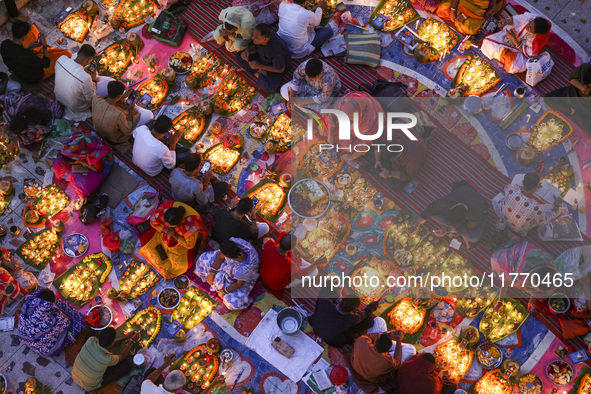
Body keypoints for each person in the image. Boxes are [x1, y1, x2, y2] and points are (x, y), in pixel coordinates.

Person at [139, 200, 207, 279]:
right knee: (144, 239)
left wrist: (174, 235)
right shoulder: (165, 209)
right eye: (166, 223)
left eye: (170, 226)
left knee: (186, 264)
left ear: (179, 223)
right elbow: (153, 223)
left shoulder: (189, 226)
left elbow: (189, 245)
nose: (167, 226)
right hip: (163, 236)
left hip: (178, 245)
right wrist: (164, 229)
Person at [409, 181, 488, 245]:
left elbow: (467, 227)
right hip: (464, 195)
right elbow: (433, 206)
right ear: (451, 209)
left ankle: (456, 231)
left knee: (474, 238)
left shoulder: (475, 215)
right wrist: (416, 224)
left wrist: (447, 231)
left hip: (479, 214)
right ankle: (456, 231)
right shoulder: (450, 200)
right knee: (432, 214)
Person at [194, 238, 260, 310]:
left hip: (241, 280)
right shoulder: (234, 242)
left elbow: (238, 284)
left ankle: (220, 284)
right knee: (204, 258)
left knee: (233, 302)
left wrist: (223, 291)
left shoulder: (244, 270)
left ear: (231, 257)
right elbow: (220, 257)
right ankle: (217, 280)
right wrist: (211, 274)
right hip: (228, 268)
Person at [18, 289, 86, 357]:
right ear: (51, 303)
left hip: (27, 338)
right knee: (74, 324)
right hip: (45, 349)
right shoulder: (50, 321)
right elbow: (67, 321)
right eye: (55, 300)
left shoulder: (30, 302)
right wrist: (61, 313)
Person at [54, 44, 113, 121]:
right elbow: (91, 98)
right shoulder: (85, 78)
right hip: (77, 107)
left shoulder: (61, 59)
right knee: (110, 82)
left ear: (78, 52)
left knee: (73, 57)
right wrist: (93, 79)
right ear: (88, 60)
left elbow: (64, 74)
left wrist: (82, 72)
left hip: (58, 96)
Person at [0, 76, 64, 146]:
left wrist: (26, 139)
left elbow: (48, 129)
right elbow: (6, 114)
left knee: (36, 137)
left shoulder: (32, 126)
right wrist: (6, 126)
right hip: (33, 101)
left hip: (45, 108)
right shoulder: (14, 110)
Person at [1, 21, 71, 83]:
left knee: (36, 43)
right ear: (24, 37)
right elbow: (47, 63)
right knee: (67, 53)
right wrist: (44, 45)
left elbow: (17, 54)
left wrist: (29, 48)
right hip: (34, 76)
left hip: (19, 69)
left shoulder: (4, 43)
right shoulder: (27, 56)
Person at [492, 172, 560, 236]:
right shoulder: (536, 208)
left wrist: (532, 188)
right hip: (517, 229)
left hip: (503, 215)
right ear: (536, 187)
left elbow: (516, 190)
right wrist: (556, 207)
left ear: (523, 182)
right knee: (558, 211)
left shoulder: (511, 188)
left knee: (517, 177)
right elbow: (543, 223)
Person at [481, 13, 552, 74]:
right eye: (530, 23)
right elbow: (515, 19)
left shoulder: (538, 41)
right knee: (486, 42)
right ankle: (503, 55)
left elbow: (528, 54)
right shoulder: (530, 17)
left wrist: (514, 40)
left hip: (520, 50)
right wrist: (506, 21)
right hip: (509, 36)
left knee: (515, 67)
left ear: (536, 33)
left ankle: (503, 54)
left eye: (530, 28)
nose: (528, 26)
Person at [72, 327, 139, 391]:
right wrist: (132, 341)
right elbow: (122, 356)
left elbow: (110, 343)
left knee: (91, 334)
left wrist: (126, 337)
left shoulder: (91, 340)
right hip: (88, 385)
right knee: (127, 365)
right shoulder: (107, 358)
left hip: (74, 374)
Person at [92, 80, 153, 150]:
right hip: (113, 138)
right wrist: (130, 111)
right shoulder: (119, 115)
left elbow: (108, 103)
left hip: (97, 128)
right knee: (148, 115)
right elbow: (127, 131)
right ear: (118, 96)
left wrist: (122, 97)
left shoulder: (96, 99)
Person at [350, 330, 416, 393]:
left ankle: (385, 339)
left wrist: (388, 334)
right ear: (388, 351)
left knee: (379, 321)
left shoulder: (363, 340)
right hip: (369, 375)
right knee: (412, 349)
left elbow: (371, 335)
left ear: (375, 342)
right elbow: (397, 361)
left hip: (357, 365)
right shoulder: (387, 362)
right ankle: (388, 341)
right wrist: (398, 340)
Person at [260, 234, 322, 299]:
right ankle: (290, 285)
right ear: (290, 249)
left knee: (298, 260)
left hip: (264, 274)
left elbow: (284, 234)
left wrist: (294, 248)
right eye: (295, 246)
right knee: (315, 271)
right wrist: (316, 263)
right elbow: (302, 274)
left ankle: (297, 258)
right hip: (275, 285)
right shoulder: (289, 264)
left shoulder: (269, 244)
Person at [53, 131, 114, 198]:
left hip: (105, 161)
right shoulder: (75, 141)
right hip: (90, 144)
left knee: (80, 182)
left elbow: (99, 170)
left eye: (74, 162)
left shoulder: (93, 155)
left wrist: (84, 163)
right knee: (58, 163)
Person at [234, 24, 291, 93]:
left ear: (265, 39)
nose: (252, 38)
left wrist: (260, 66)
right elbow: (255, 47)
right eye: (253, 35)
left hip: (274, 67)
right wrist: (247, 51)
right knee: (238, 56)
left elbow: (281, 69)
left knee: (270, 88)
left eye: (256, 37)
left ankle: (258, 72)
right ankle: (260, 73)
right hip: (262, 58)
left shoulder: (276, 50)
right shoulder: (261, 37)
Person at [308, 297, 381, 348]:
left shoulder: (324, 302)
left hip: (315, 325)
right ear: (353, 311)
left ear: (341, 300)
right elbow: (366, 312)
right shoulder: (352, 319)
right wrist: (378, 301)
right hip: (330, 338)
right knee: (369, 321)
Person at [545, 62, 591, 132]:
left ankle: (575, 115)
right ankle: (571, 112)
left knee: (588, 129)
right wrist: (582, 88)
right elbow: (572, 79)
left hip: (585, 106)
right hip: (571, 93)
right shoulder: (586, 68)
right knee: (548, 98)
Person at [435, 0, 506, 35]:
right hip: (463, 3)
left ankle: (486, 23)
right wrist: (453, 11)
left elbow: (484, 8)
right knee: (443, 7)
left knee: (469, 27)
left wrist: (463, 15)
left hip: (480, 8)